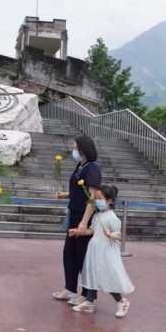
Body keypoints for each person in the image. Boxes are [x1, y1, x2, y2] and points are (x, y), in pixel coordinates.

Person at [68, 185, 134, 316]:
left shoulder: (113, 218)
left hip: (106, 251)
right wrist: (78, 232)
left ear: (109, 201)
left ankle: (121, 301)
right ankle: (89, 302)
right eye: (96, 198)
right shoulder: (97, 215)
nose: (97, 201)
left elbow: (118, 235)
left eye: (99, 198)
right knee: (94, 275)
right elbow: (92, 230)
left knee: (106, 277)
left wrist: (110, 235)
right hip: (95, 249)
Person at [52, 135, 101, 306]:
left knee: (83, 256)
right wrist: (66, 195)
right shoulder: (80, 166)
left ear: (84, 149)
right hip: (73, 214)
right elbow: (79, 191)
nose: (73, 151)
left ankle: (87, 294)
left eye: (75, 148)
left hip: (83, 216)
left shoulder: (92, 168)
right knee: (69, 253)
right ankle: (70, 287)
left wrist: (84, 222)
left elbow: (92, 197)